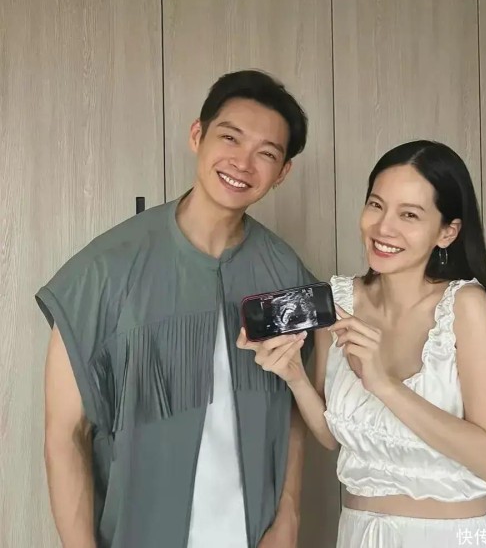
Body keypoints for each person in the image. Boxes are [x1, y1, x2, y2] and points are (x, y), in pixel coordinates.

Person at [37, 69, 317, 548]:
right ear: (197, 135)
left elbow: (295, 403)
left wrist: (288, 514)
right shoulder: (104, 269)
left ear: (282, 173)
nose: (243, 163)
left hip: (252, 535)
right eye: (230, 137)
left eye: (266, 153)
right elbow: (64, 435)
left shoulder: (285, 272)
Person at [238, 140, 486, 547]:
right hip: (360, 534)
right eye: (376, 205)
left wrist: (383, 384)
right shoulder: (338, 300)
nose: (383, 228)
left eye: (409, 214)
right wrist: (294, 378)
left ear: (447, 232)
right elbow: (332, 436)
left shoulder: (465, 306)